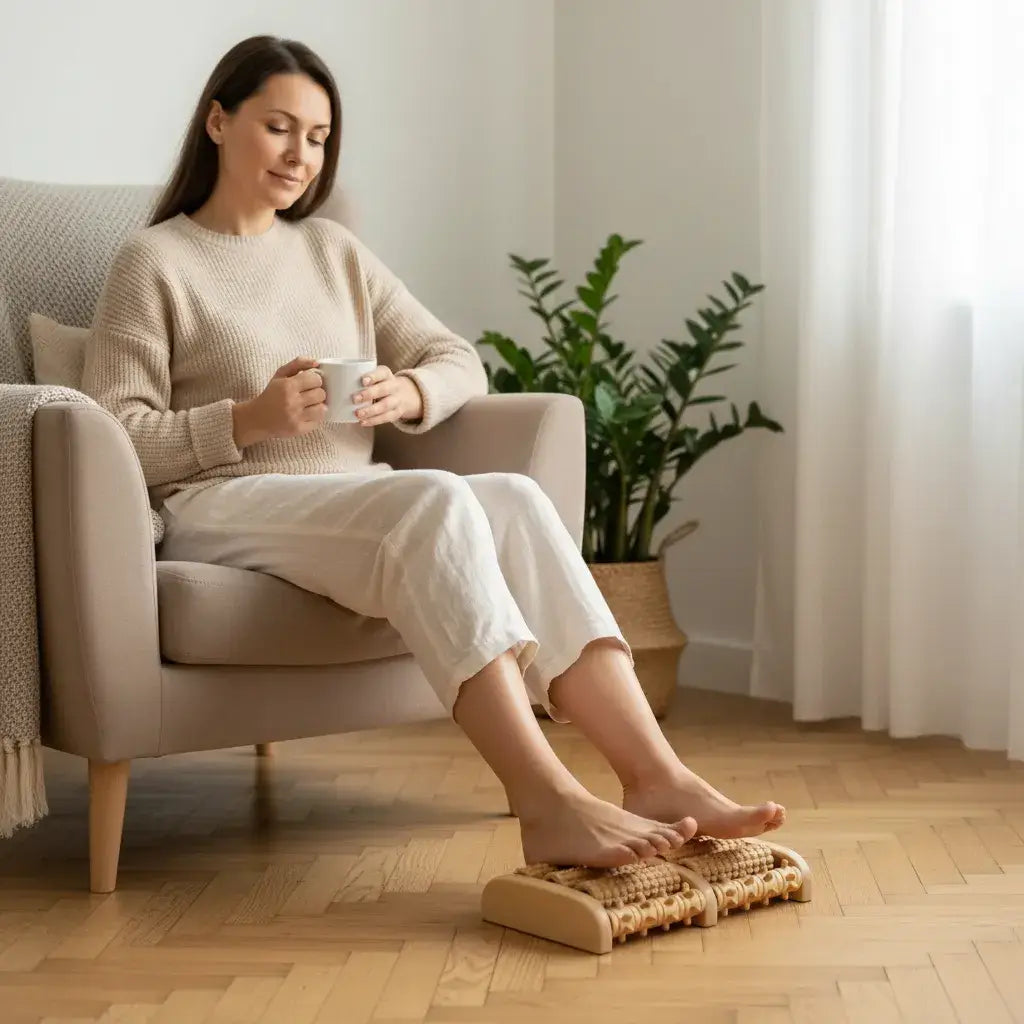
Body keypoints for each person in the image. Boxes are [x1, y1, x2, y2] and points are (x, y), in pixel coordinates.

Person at [82, 35, 785, 870]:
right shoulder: (153, 261)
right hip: (220, 504)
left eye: (317, 137)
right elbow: (110, 431)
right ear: (218, 121)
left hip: (352, 502)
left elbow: (458, 359)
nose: (301, 155)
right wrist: (249, 417)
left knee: (515, 500)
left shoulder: (333, 252)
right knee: (435, 499)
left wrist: (407, 395)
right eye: (279, 127)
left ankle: (656, 775)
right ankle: (547, 799)